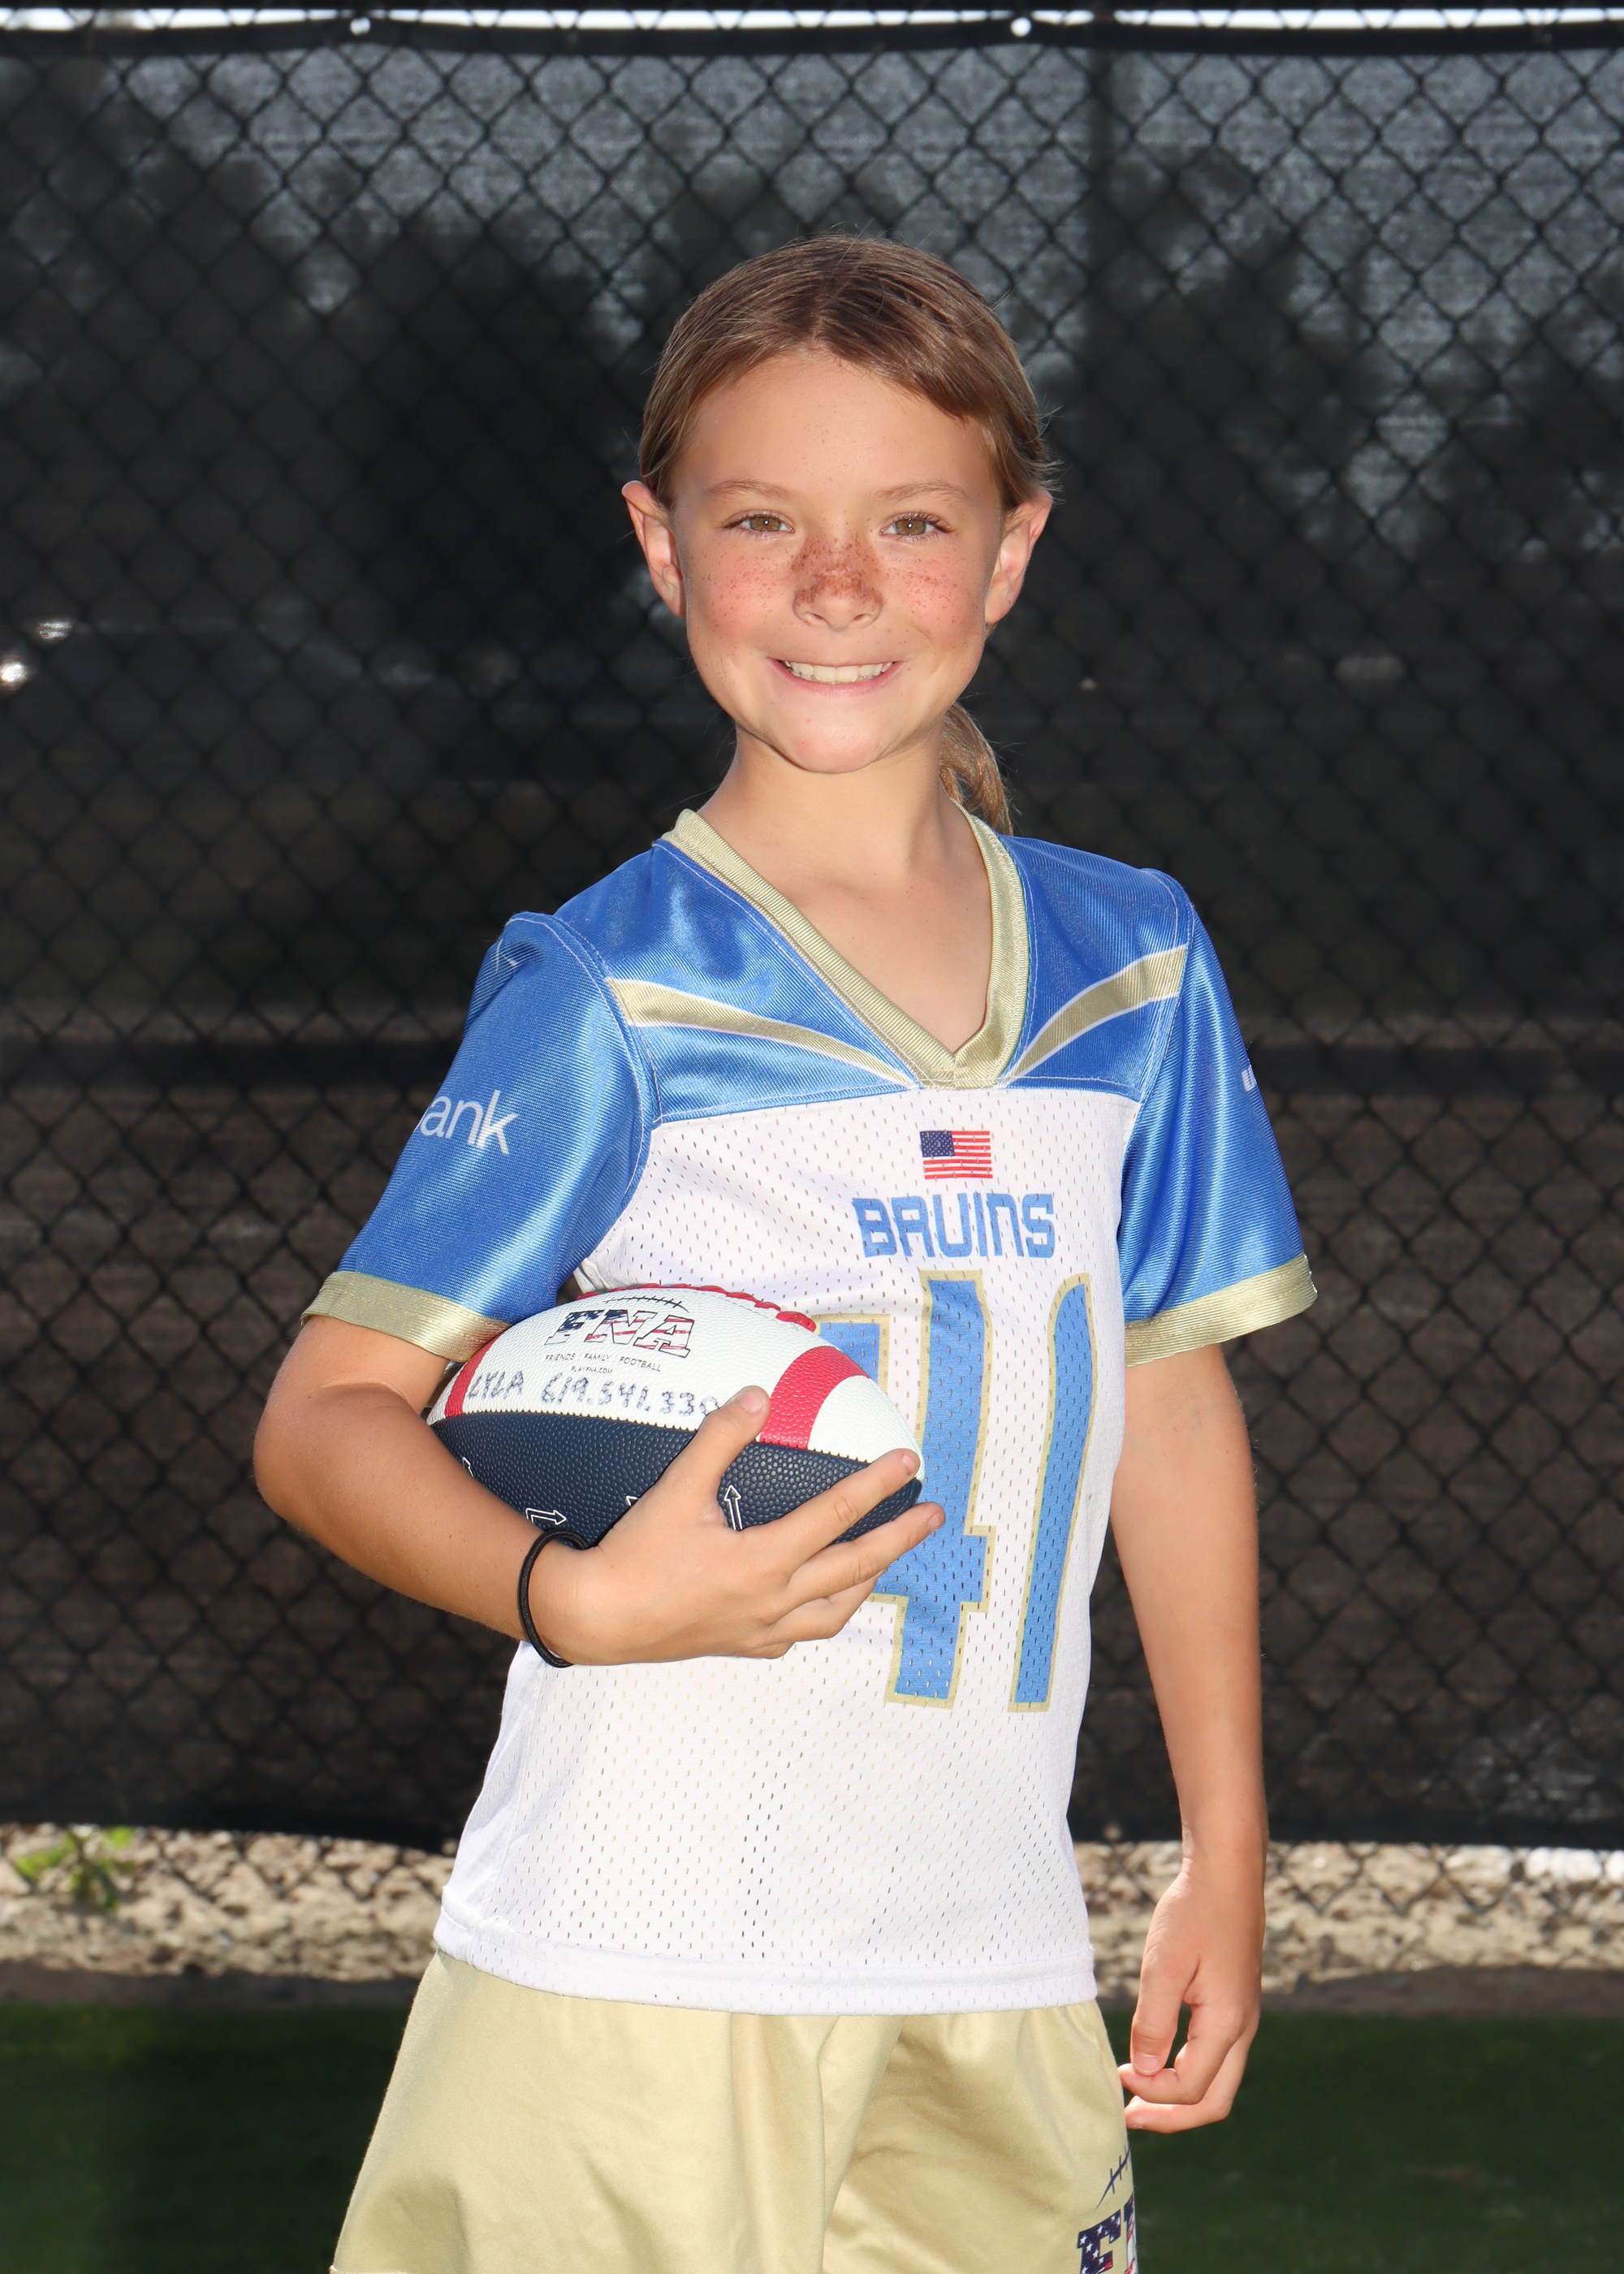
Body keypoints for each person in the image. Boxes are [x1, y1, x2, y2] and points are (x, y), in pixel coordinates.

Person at [255, 236, 1315, 2274]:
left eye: (909, 521)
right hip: (635, 1957)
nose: (838, 585)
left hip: (993, 1951)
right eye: (763, 522)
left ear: (1009, 551)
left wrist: (1226, 1839)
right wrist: (570, 1593)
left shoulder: (1135, 965)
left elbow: (1165, 1400)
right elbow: (325, 1415)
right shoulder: (611, 983)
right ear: (663, 548)